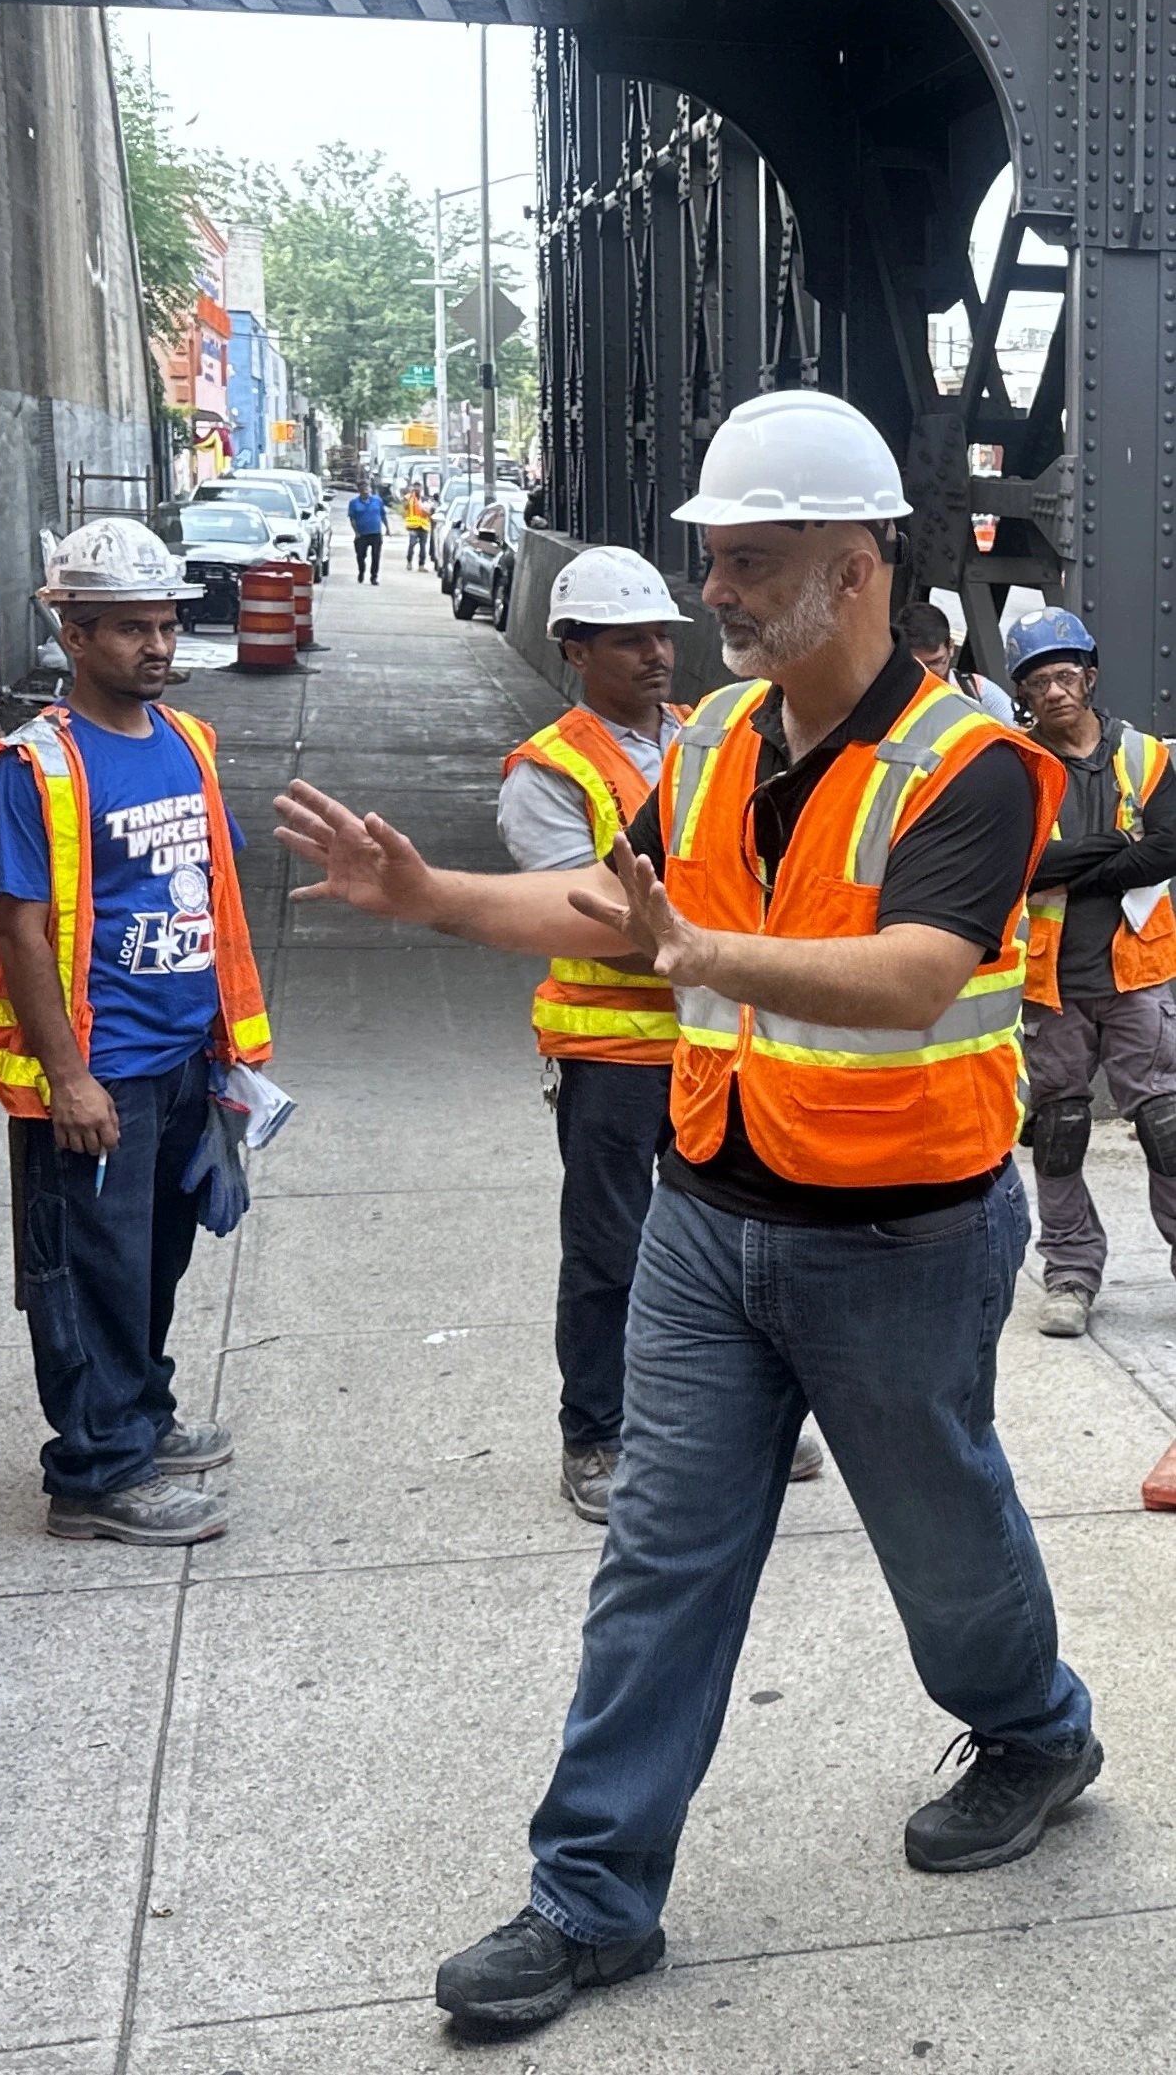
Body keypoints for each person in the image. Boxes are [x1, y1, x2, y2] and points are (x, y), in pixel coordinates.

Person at [277, 390, 1097, 2042]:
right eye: (710, 559)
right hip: (706, 1218)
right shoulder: (715, 743)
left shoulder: (973, 769)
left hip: (900, 1238)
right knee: (662, 1549)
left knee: (937, 1536)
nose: (711, 593)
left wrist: (702, 956)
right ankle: (588, 1889)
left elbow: (913, 976)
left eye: (750, 559)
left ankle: (1031, 1727)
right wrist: (429, 894)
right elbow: (614, 903)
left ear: (860, 563)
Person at [497, 546, 822, 1519]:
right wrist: (731, 949)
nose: (654, 654)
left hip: (713, 1038)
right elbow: (584, 913)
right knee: (608, 1248)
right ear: (572, 648)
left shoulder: (708, 736)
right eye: (627, 638)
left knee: (733, 1242)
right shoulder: (547, 770)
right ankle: (595, 1433)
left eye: (660, 636)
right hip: (611, 1049)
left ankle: (729, 1413)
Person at [0, 518, 273, 1545]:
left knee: (154, 1261)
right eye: (130, 629)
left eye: (165, 625)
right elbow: (16, 928)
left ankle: (138, 1414)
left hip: (185, 1056)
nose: (156, 646)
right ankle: (95, 1471)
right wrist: (68, 1076)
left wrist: (224, 1043)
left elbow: (208, 894)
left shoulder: (185, 743)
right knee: (87, 1269)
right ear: (73, 633)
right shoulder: (32, 767)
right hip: (103, 1069)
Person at [1004, 607, 1176, 1339]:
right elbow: (1020, 864)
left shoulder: (1142, 756)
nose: (1054, 691)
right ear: (1023, 692)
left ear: (1089, 675)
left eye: (1064, 673)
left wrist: (1072, 872)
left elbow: (1166, 850)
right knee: (1060, 1130)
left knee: (1167, 1127)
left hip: (1137, 976)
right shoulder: (1010, 764)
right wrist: (1115, 846)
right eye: (1038, 679)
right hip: (1053, 984)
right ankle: (1070, 1274)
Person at [896, 597, 1013, 724]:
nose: (926, 675)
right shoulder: (886, 697)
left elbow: (1022, 732)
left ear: (951, 647)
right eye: (916, 665)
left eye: (936, 662)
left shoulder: (977, 691)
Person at [347, 481, 389, 583]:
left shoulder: (377, 500)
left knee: (376, 556)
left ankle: (374, 576)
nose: (366, 491)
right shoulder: (354, 503)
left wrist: (387, 528)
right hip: (362, 534)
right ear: (359, 490)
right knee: (360, 555)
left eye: (367, 489)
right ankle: (361, 571)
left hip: (376, 533)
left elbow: (383, 515)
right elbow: (352, 519)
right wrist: (356, 532)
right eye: (363, 489)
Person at [403, 481, 433, 568]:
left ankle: (421, 565)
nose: (417, 489)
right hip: (413, 526)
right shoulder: (408, 498)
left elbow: (430, 511)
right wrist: (411, 497)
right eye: (415, 487)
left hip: (424, 526)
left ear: (421, 488)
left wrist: (426, 510)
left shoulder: (426, 499)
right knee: (412, 544)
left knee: (423, 547)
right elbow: (405, 507)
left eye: (418, 487)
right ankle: (409, 562)